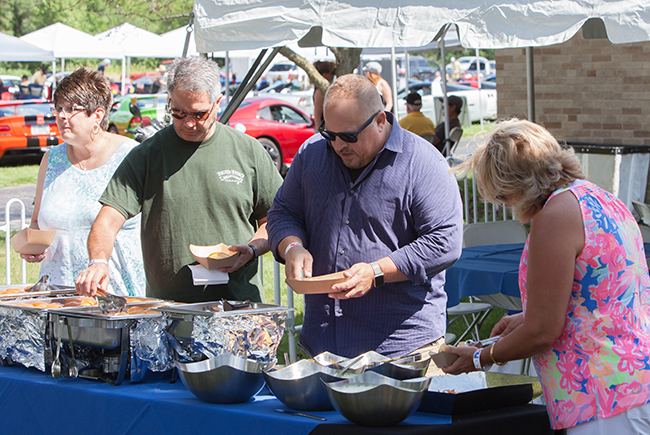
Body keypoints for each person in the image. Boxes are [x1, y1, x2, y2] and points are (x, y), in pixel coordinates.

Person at [444, 119, 650, 434]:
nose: (508, 205)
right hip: (634, 380)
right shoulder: (600, 198)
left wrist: (480, 357)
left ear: (515, 183)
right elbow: (601, 296)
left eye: (503, 196)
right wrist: (529, 315)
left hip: (602, 398)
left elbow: (543, 331)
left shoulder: (554, 217)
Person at [267, 74, 463, 372]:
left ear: (381, 121)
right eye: (329, 135)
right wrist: (292, 245)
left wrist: (376, 272)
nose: (337, 146)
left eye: (349, 136)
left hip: (402, 350)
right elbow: (283, 211)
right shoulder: (311, 155)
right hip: (324, 346)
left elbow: (445, 241)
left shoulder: (423, 162)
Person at [75, 56, 284, 303]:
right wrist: (98, 261)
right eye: (178, 112)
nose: (188, 123)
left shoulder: (248, 151)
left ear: (218, 103)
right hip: (169, 309)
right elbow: (108, 220)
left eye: (199, 114)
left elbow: (275, 220)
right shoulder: (147, 155)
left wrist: (252, 250)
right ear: (169, 101)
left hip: (238, 304)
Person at [20, 67, 145, 297]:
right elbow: (37, 222)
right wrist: (32, 246)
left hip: (113, 296)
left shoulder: (131, 156)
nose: (61, 116)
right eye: (58, 108)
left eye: (71, 109)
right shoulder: (51, 159)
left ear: (97, 115)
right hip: (57, 297)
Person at [312, 60, 336, 132]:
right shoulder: (320, 91)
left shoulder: (326, 88)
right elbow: (317, 116)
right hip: (323, 128)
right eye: (332, 73)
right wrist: (320, 134)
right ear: (324, 74)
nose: (333, 75)